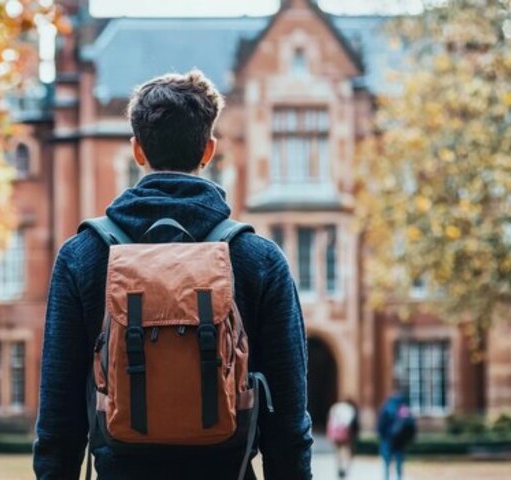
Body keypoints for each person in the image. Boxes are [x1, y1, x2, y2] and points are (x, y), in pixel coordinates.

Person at [33, 70, 313, 479]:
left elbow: (58, 421)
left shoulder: (83, 256)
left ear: (138, 150)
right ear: (208, 150)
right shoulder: (258, 259)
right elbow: (289, 425)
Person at [377, 391, 416, 480]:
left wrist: (382, 435)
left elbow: (380, 426)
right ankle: (398, 477)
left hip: (387, 439)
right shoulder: (404, 409)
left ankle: (387, 477)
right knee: (399, 461)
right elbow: (411, 426)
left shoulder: (385, 408)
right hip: (400, 440)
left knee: (387, 462)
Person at [326, 399, 359, 479]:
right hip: (344, 432)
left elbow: (330, 419)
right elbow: (349, 421)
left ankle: (339, 467)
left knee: (338, 450)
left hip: (335, 432)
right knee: (346, 449)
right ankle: (345, 468)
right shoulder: (349, 409)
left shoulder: (335, 407)